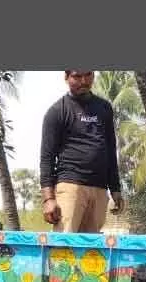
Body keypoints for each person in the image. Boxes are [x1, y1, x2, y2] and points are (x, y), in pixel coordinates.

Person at [40, 70, 125, 233]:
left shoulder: (104, 108)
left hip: (100, 189)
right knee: (64, 249)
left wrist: (115, 189)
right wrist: (49, 199)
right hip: (71, 187)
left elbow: (110, 149)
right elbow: (47, 158)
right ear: (66, 78)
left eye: (88, 75)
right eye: (77, 77)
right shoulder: (57, 111)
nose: (84, 81)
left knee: (92, 253)